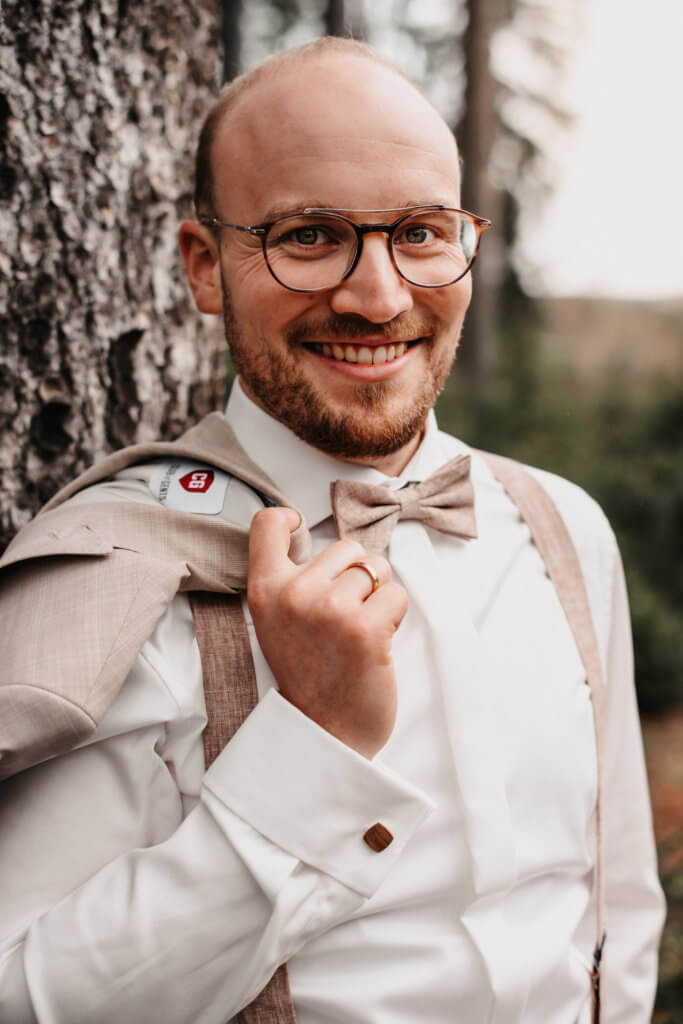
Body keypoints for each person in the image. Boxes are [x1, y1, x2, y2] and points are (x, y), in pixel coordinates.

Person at [0, 36, 664, 1023]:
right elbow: (25, 994)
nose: (378, 296)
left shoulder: (562, 528)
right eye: (309, 236)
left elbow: (616, 908)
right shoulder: (114, 573)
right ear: (206, 267)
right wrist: (311, 746)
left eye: (421, 232)